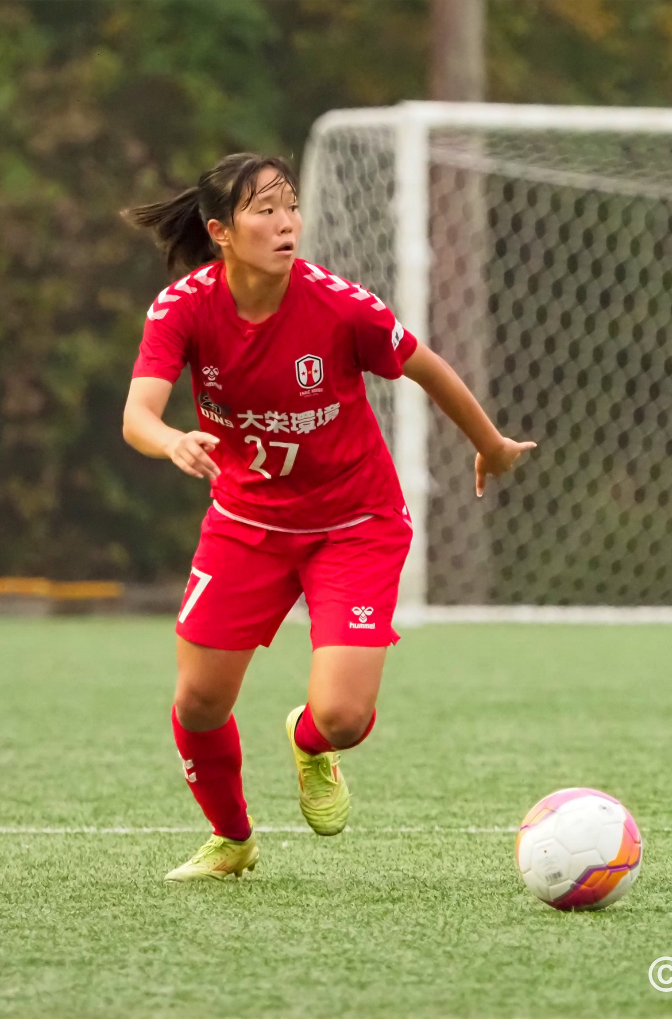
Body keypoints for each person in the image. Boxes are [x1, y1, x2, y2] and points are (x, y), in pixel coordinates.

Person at [121, 153, 534, 881]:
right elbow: (137, 417)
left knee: (342, 718)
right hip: (246, 523)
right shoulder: (183, 307)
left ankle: (308, 743)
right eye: (265, 210)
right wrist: (171, 440)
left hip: (356, 523)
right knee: (200, 700)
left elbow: (426, 365)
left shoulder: (341, 306)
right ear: (220, 231)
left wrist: (491, 444)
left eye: (291, 206)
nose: (287, 223)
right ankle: (232, 838)